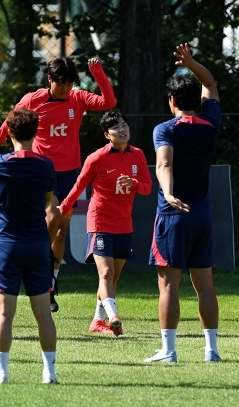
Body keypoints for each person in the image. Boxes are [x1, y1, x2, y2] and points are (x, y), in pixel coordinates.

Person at [0, 57, 116, 312]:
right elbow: (14, 116)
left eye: (70, 83)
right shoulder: (34, 99)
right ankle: (37, 260)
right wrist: (3, 133)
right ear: (49, 80)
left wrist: (97, 71)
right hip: (43, 170)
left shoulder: (78, 98)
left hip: (70, 172)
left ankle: (49, 282)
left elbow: (109, 102)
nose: (65, 89)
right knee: (52, 218)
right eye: (61, 84)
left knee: (62, 226)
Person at [145, 43, 221, 363]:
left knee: (168, 287)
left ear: (172, 101)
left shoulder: (165, 129)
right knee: (205, 286)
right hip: (202, 214)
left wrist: (168, 192)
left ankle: (169, 350)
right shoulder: (211, 123)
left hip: (173, 215)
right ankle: (212, 351)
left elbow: (163, 164)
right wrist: (191, 63)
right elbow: (211, 83)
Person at [0, 109, 58, 384]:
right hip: (37, 243)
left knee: (4, 314)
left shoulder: (0, 163)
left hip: (8, 244)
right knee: (43, 313)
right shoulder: (45, 166)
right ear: (36, 133)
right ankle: (49, 373)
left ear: (9, 133)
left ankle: (2, 372)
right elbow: (48, 200)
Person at [59, 109, 152, 336]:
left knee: (113, 277)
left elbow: (148, 188)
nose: (122, 130)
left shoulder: (138, 155)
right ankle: (113, 317)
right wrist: (64, 207)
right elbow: (79, 185)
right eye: (116, 127)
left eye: (124, 125)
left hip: (124, 224)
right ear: (107, 135)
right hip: (100, 221)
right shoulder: (97, 158)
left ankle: (97, 321)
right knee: (106, 273)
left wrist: (134, 183)